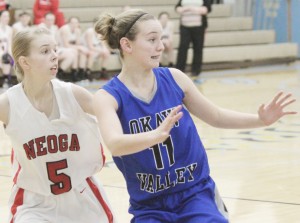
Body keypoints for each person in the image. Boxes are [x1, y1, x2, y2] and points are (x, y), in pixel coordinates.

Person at [93, 9, 297, 223]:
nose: (161, 46)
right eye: (152, 39)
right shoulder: (108, 97)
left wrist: (260, 120)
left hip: (195, 195)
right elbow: (115, 143)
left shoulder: (174, 78)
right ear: (127, 45)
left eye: (161, 39)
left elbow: (216, 116)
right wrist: (156, 135)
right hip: (149, 206)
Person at [0, 27, 114, 223]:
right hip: (34, 202)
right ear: (24, 61)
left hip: (82, 195)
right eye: (45, 51)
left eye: (54, 50)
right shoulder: (8, 104)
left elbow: (114, 112)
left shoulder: (73, 94)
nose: (54, 56)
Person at [175, 0, 211, 77]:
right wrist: (183, 9)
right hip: (185, 27)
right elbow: (177, 8)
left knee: (198, 49)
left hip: (199, 27)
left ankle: (196, 70)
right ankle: (179, 69)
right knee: (182, 48)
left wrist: (192, 8)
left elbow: (208, 9)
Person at [0, 10, 17, 87]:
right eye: (4, 16)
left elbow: (10, 44)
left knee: (9, 57)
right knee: (5, 58)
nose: (7, 18)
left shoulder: (10, 29)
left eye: (8, 16)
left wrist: (11, 54)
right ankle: (5, 80)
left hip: (6, 52)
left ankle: (7, 80)